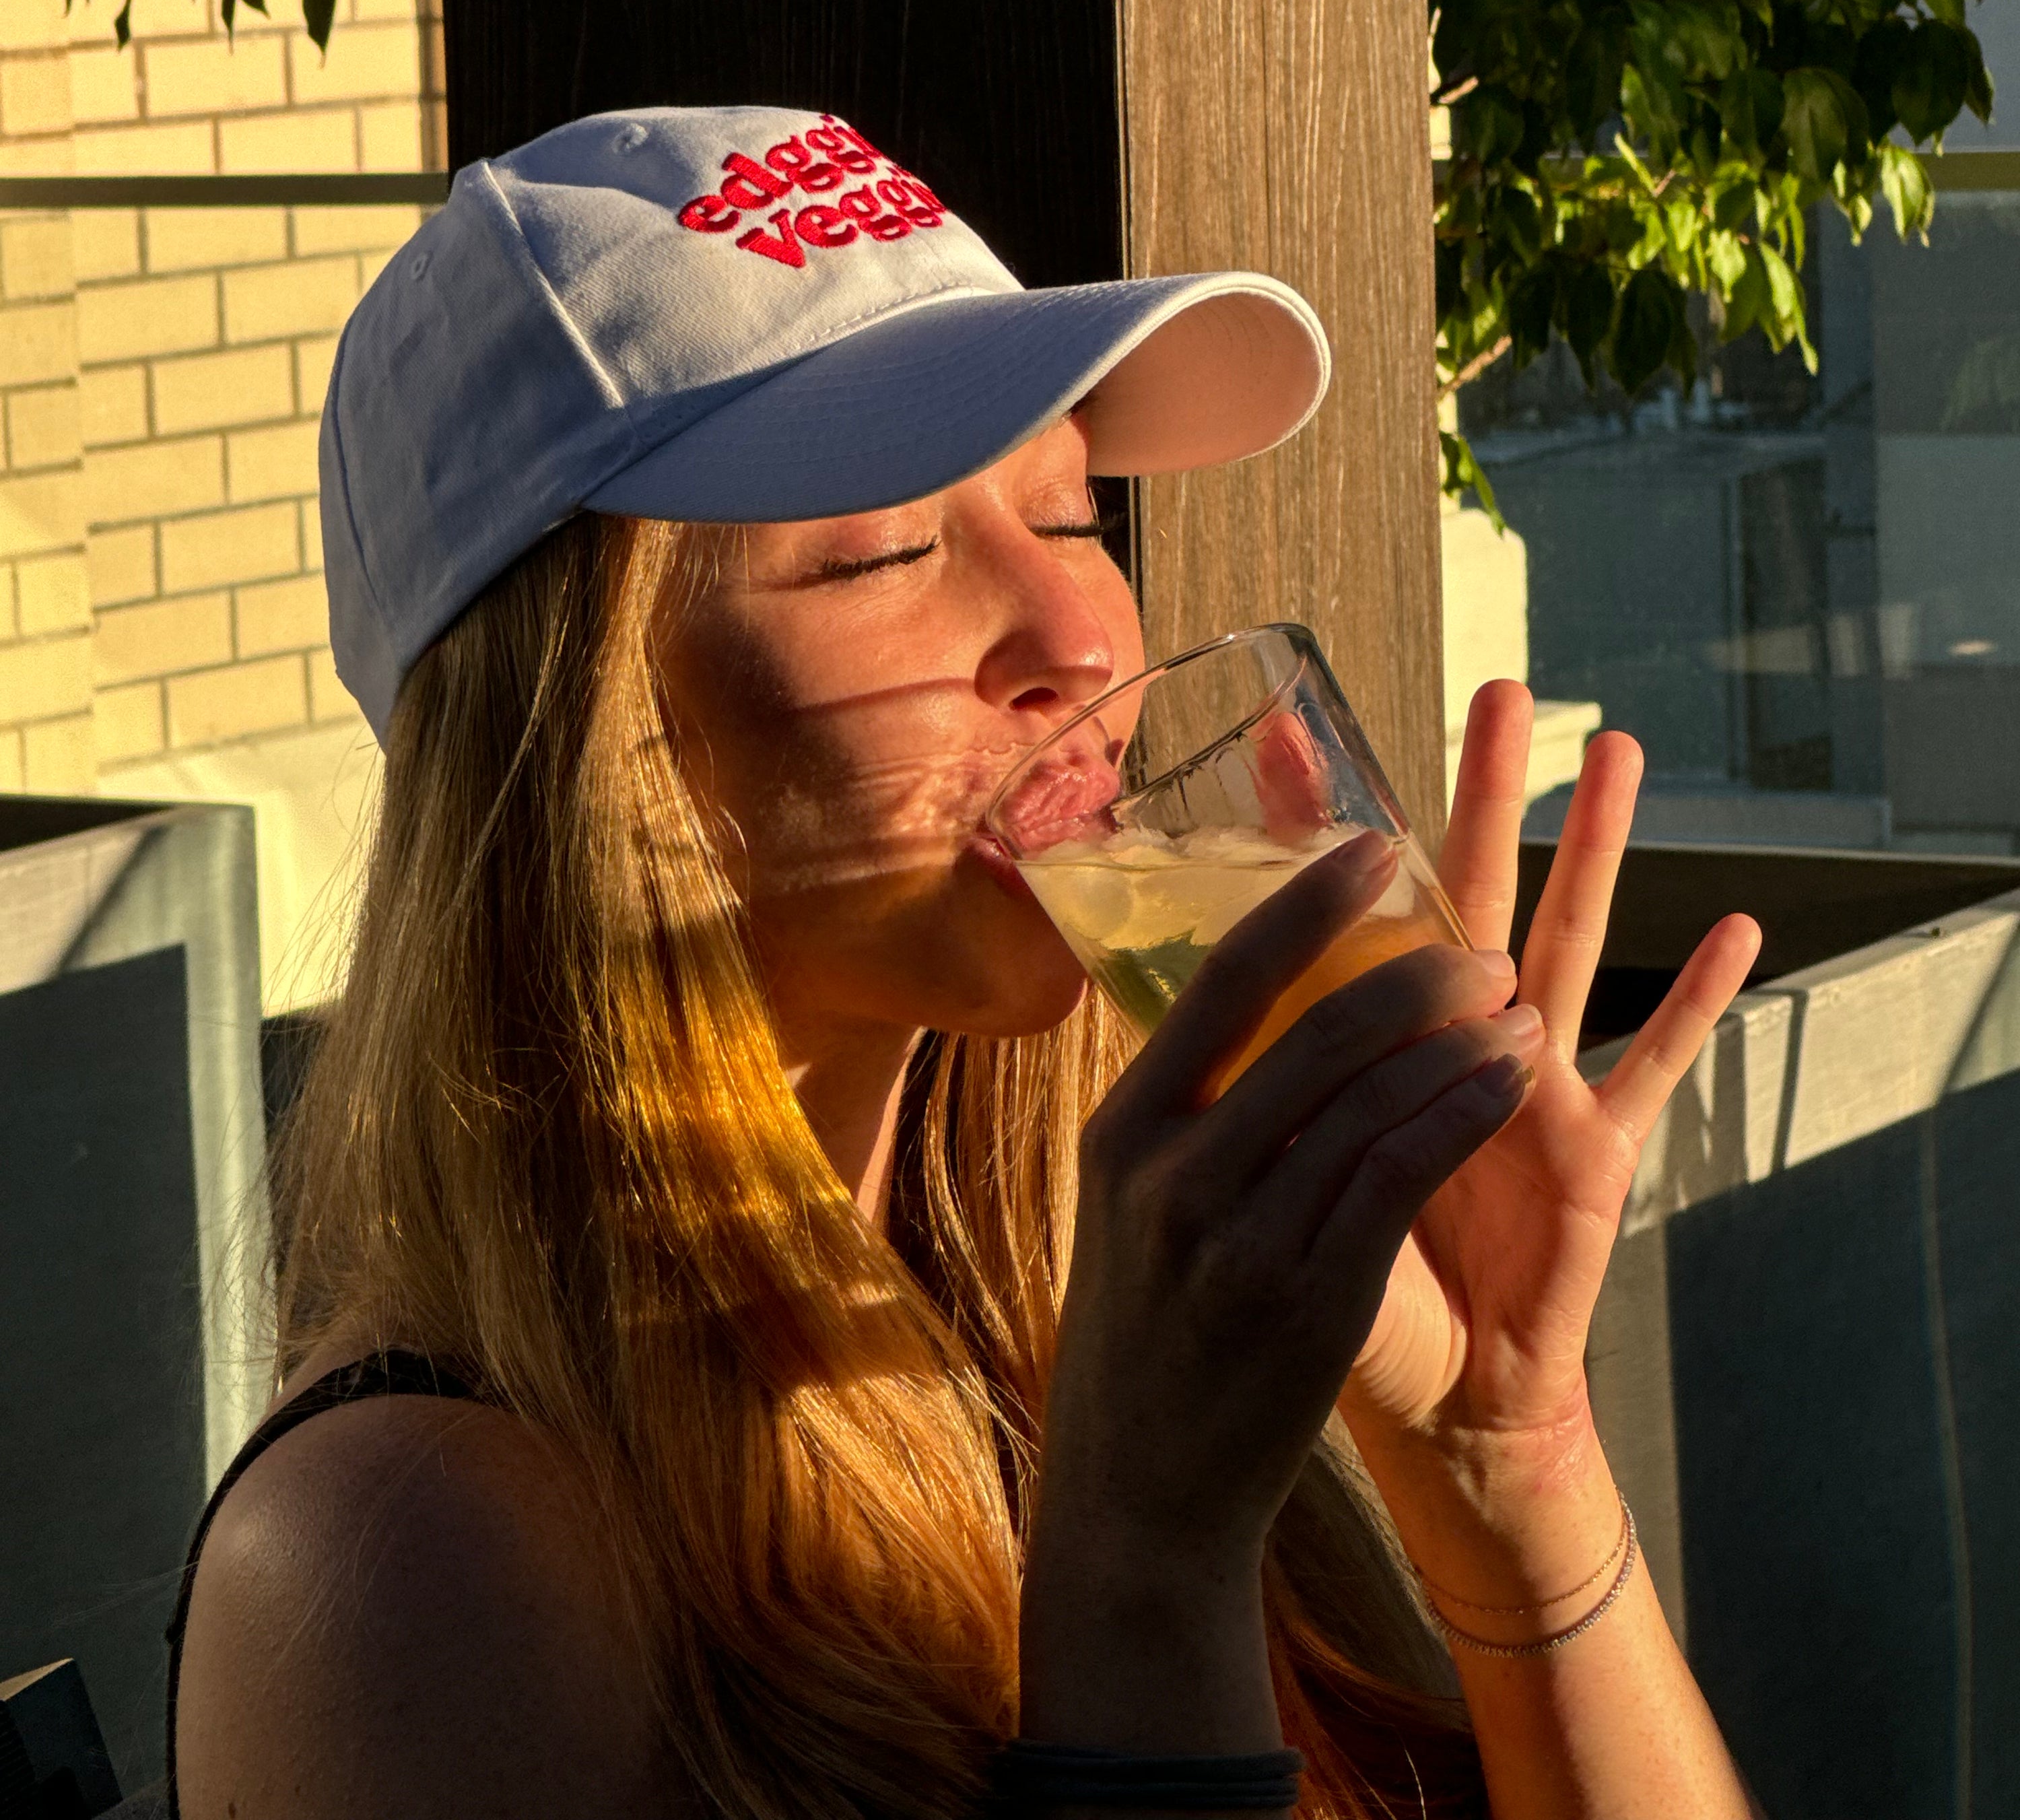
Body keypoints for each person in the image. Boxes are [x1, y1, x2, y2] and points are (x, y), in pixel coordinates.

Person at [170, 106, 1763, 1820]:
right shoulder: (408, 1560)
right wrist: (1142, 1566)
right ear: (590, 741)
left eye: (1076, 512)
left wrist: (1510, 1469)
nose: (1080, 635)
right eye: (885, 547)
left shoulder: (1047, 1336)